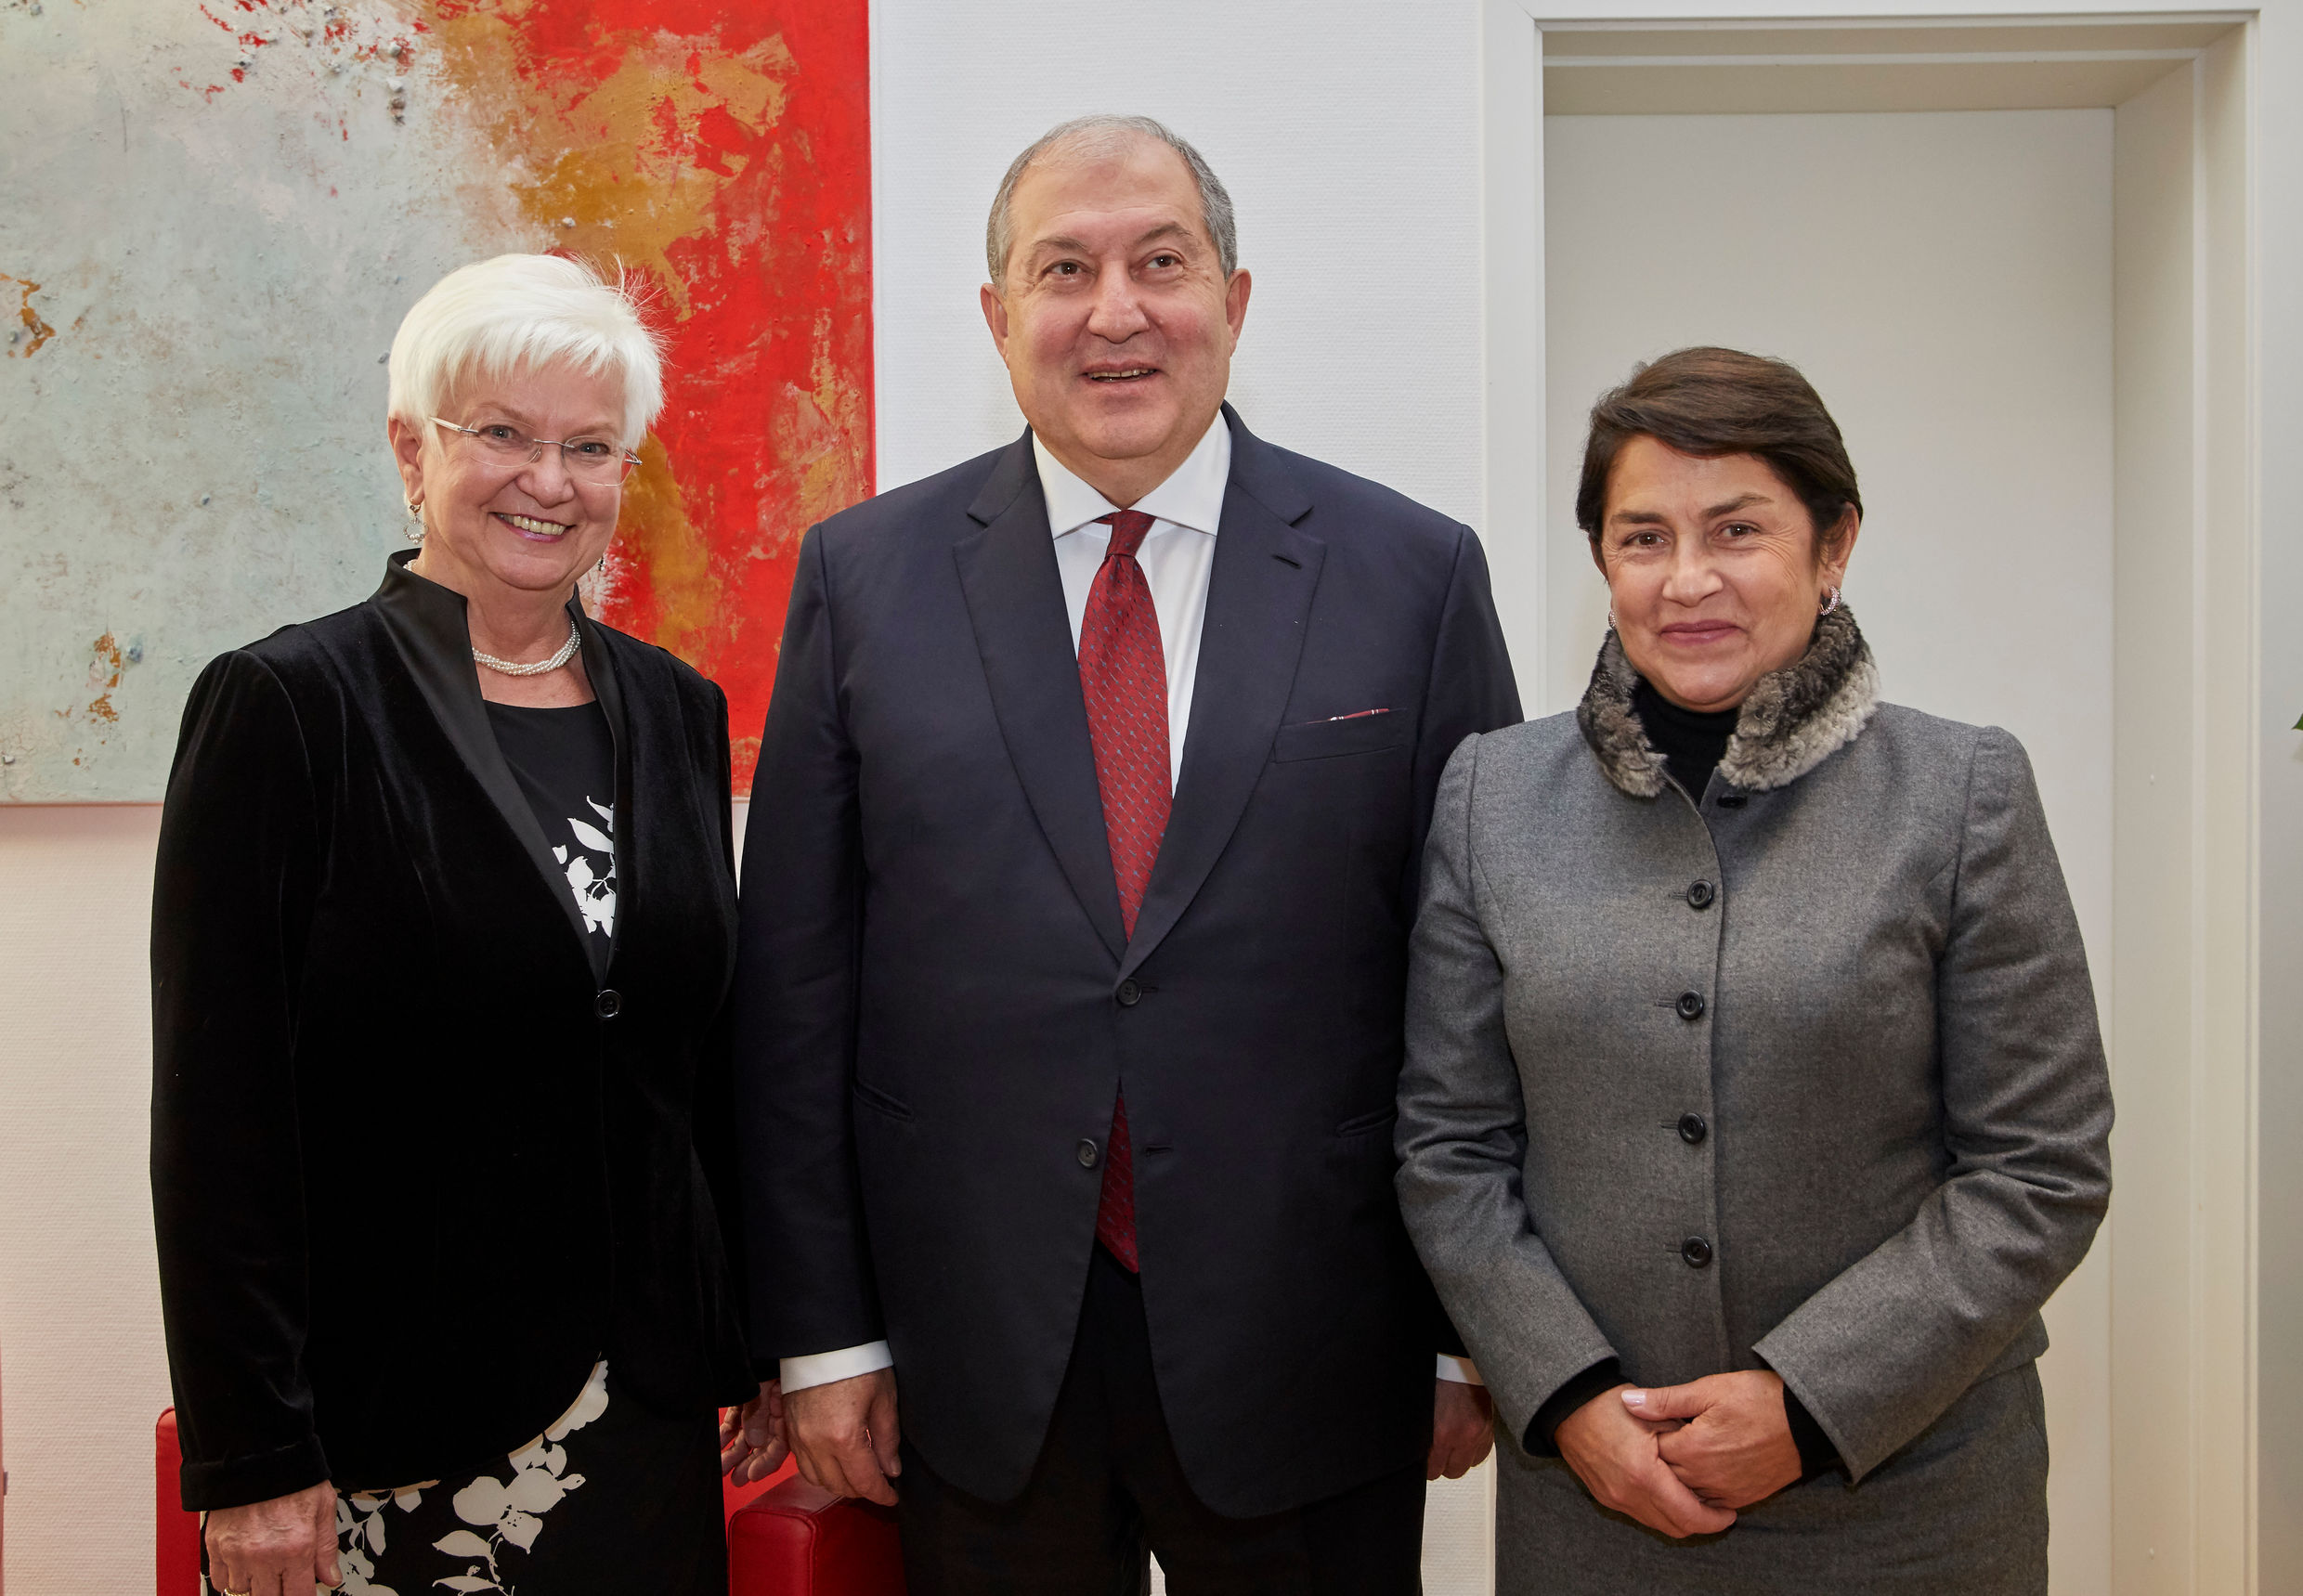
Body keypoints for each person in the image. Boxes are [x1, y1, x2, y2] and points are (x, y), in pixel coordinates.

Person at [729, 115, 1519, 1593]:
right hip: (974, 1354)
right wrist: (828, 1335)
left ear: (1233, 296)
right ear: (996, 316)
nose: (1116, 312)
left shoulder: (1413, 574)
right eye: (1063, 268)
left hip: (1316, 1334)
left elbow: (1477, 980)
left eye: (1161, 261)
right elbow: (797, 987)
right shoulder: (862, 577)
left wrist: (1463, 1324)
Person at [1395, 346, 2114, 1593]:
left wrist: (1808, 1402)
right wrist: (1568, 1400)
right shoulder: (1490, 798)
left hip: (1908, 1498)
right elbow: (1450, 1148)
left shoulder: (1964, 796)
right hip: (1596, 1498)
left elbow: (2040, 1169)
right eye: (1643, 537)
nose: (1688, 581)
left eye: (1737, 530)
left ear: (1833, 547)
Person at [150, 253, 781, 1596]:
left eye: (589, 447)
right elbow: (219, 1120)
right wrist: (252, 1454)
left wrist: (752, 1340)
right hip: (381, 1437)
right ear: (412, 450)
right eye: (500, 433)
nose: (546, 481)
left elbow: (703, 1062)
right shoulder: (288, 706)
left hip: (649, 1423)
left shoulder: (677, 710)